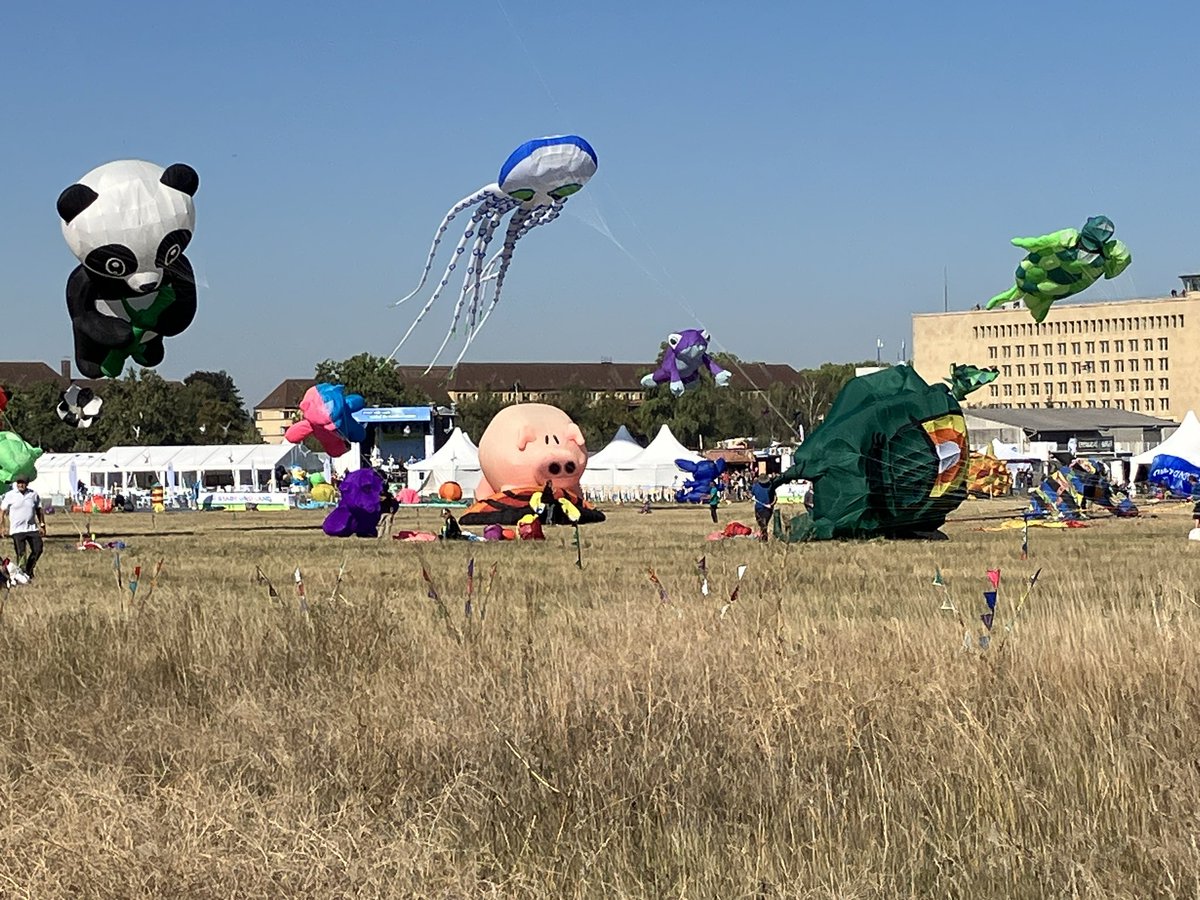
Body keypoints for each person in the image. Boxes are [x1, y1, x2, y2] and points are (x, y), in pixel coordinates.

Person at [0, 475, 46, 580]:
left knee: (38, 549)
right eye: (19, 483)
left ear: (27, 484)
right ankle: (22, 574)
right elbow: (2, 510)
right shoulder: (10, 495)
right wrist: (2, 526)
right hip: (17, 530)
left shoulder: (33, 494)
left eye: (23, 483)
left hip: (32, 528)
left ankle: (28, 570)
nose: (20, 485)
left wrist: (42, 525)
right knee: (21, 554)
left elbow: (39, 510)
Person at [751, 473, 776, 542]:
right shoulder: (756, 486)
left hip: (766, 509)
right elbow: (751, 494)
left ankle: (764, 539)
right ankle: (763, 537)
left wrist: (771, 504)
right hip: (760, 508)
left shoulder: (770, 486)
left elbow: (775, 497)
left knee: (763, 524)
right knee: (761, 524)